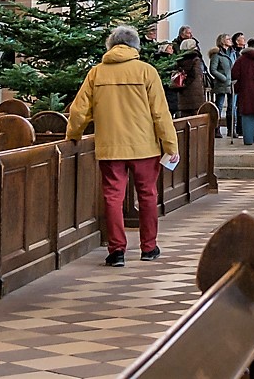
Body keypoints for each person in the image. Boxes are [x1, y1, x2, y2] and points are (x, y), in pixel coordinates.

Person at [65, 24, 177, 266]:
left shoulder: (97, 73)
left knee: (113, 197)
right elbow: (161, 113)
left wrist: (73, 134)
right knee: (147, 195)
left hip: (110, 146)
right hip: (144, 146)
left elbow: (79, 109)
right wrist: (170, 145)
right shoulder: (146, 71)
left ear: (111, 45)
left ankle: (116, 251)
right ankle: (149, 247)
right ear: (136, 46)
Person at [207, 34, 236, 137]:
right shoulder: (217, 55)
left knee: (232, 107)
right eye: (228, 39)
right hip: (221, 83)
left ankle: (231, 129)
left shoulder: (232, 53)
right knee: (219, 106)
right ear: (222, 41)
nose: (230, 40)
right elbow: (213, 69)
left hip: (232, 83)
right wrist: (223, 77)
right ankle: (216, 128)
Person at [177, 35, 207, 113]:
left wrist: (183, 84)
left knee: (185, 116)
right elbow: (196, 73)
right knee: (195, 117)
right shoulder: (196, 59)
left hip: (183, 92)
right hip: (195, 91)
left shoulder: (179, 60)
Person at [159, 37, 182, 117]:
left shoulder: (172, 59)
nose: (172, 50)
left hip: (171, 87)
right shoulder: (165, 60)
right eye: (169, 48)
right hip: (168, 86)